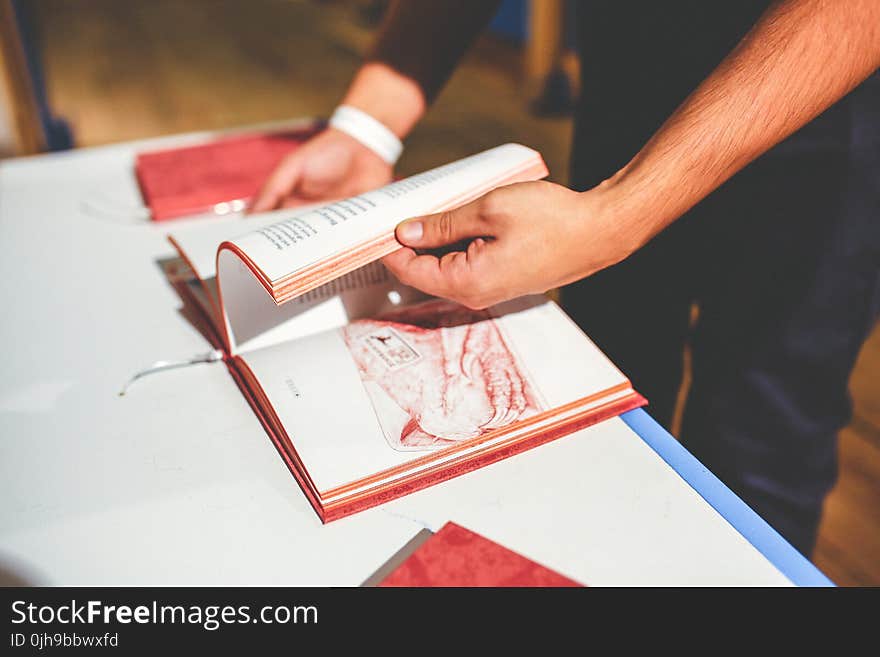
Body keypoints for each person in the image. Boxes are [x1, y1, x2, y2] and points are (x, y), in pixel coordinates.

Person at [252, 0, 880, 557]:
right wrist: (370, 126)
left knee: (759, 443)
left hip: (821, 107)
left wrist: (617, 215)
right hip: (628, 79)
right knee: (597, 399)